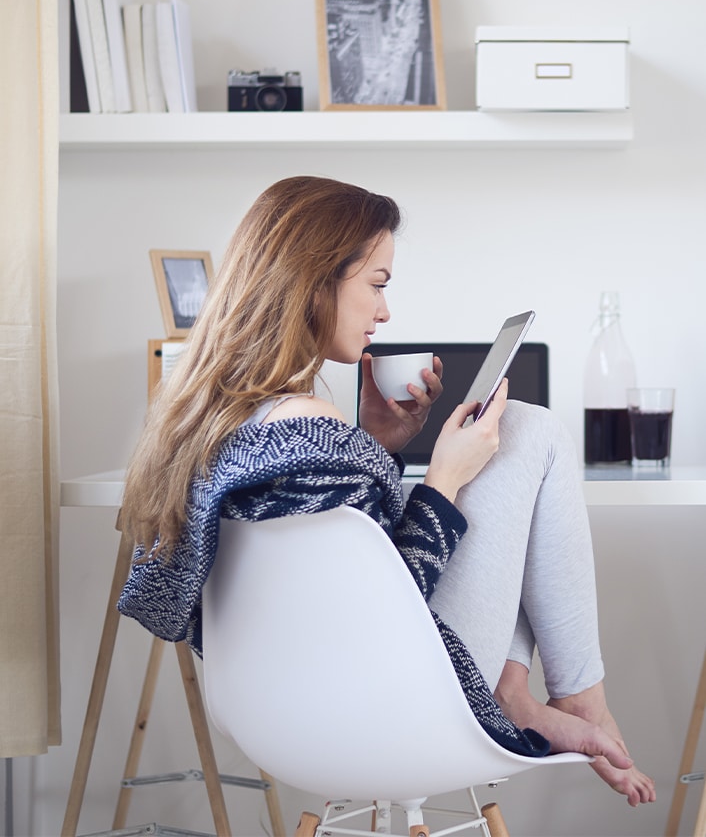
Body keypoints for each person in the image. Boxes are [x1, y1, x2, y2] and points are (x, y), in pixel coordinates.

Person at [118, 175, 655, 806]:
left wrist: (377, 447)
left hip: (273, 709)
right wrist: (444, 477)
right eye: (376, 284)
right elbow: (388, 613)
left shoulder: (226, 420)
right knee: (529, 431)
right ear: (312, 280)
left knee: (515, 460)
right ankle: (578, 696)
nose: (385, 310)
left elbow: (335, 577)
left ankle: (522, 694)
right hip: (387, 701)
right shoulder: (311, 430)